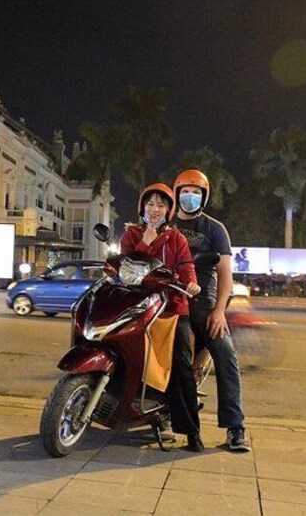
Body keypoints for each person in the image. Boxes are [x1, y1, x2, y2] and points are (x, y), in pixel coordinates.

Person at [120, 183, 204, 452]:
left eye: (161, 205)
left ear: (169, 211)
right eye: (150, 204)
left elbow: (186, 266)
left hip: (171, 307)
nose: (154, 210)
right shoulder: (131, 234)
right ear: (142, 207)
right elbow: (127, 262)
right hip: (137, 304)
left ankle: (191, 431)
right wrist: (147, 237)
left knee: (181, 364)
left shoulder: (176, 239)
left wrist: (191, 283)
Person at [171, 169, 250, 452]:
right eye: (185, 192)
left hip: (204, 303)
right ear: (176, 194)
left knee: (226, 354)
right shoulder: (166, 223)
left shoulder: (214, 229)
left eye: (195, 193)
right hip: (170, 299)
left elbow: (225, 273)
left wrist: (219, 312)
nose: (189, 197)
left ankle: (235, 427)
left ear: (203, 197)